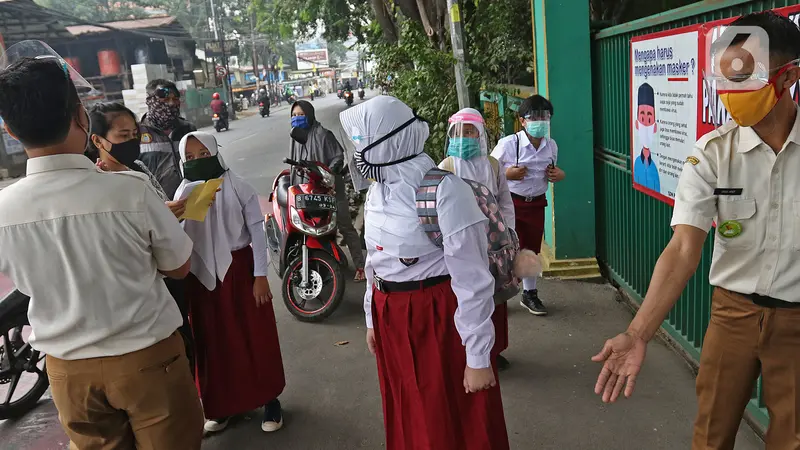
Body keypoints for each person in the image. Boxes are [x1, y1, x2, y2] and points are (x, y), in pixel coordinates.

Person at [592, 11, 800, 450]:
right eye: (723, 79)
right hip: (733, 315)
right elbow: (684, 248)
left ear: (788, 77)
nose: (728, 93)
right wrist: (638, 332)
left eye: (743, 78)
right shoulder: (712, 154)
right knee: (711, 435)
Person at [0, 55, 203, 448]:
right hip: (148, 360)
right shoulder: (129, 190)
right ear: (80, 116)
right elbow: (179, 268)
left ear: (9, 129)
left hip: (68, 375)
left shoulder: (3, 212)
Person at [340, 96, 509, 450]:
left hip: (436, 319)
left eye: (363, 140)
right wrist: (373, 318)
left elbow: (473, 280)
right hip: (392, 318)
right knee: (407, 408)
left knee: (447, 418)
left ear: (391, 140)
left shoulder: (445, 191)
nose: (358, 150)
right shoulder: (378, 192)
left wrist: (478, 358)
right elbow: (375, 262)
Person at [176, 131, 286, 434]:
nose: (197, 161)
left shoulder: (238, 187)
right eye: (190, 157)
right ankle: (221, 406)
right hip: (201, 279)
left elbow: (257, 233)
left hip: (240, 272)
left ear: (214, 152)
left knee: (254, 337)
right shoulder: (184, 191)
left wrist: (260, 276)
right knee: (213, 342)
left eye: (202, 154)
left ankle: (269, 400)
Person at [87, 101, 198, 370]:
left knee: (184, 343)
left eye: (135, 135)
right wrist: (161, 217)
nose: (131, 142)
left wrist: (171, 211)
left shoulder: (137, 167)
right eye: (123, 136)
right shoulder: (96, 181)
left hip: (168, 270)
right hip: (140, 287)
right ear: (97, 140)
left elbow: (158, 202)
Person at [439, 107, 515, 371]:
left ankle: (495, 351)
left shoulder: (493, 165)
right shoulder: (446, 167)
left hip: (495, 242)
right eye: (460, 132)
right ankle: (468, 351)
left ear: (480, 134)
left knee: (496, 294)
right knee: (467, 295)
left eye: (471, 131)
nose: (465, 137)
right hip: (462, 242)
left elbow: (505, 201)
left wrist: (510, 234)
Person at [491, 95, 566, 316]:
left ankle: (529, 294)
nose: (540, 121)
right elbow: (488, 171)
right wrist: (507, 174)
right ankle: (498, 296)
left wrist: (558, 174)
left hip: (536, 204)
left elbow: (555, 170)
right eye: (534, 117)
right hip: (510, 204)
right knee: (504, 250)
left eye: (545, 116)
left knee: (531, 249)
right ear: (522, 121)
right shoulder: (508, 144)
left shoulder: (551, 146)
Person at [290, 100, 367, 281]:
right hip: (308, 189)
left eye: (300, 115)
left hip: (330, 188)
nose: (296, 119)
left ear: (309, 115)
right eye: (293, 116)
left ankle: (361, 267)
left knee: (344, 225)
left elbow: (338, 157)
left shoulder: (323, 135)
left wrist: (328, 174)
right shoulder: (295, 136)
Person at [139, 79, 197, 200]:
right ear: (150, 101)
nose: (171, 104)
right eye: (165, 100)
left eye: (175, 99)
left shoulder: (188, 128)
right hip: (157, 203)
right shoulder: (136, 132)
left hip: (190, 198)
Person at [633, 83, 661, 191]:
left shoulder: (654, 169)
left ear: (654, 127)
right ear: (636, 124)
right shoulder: (636, 164)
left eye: (649, 120)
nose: (645, 125)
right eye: (642, 118)